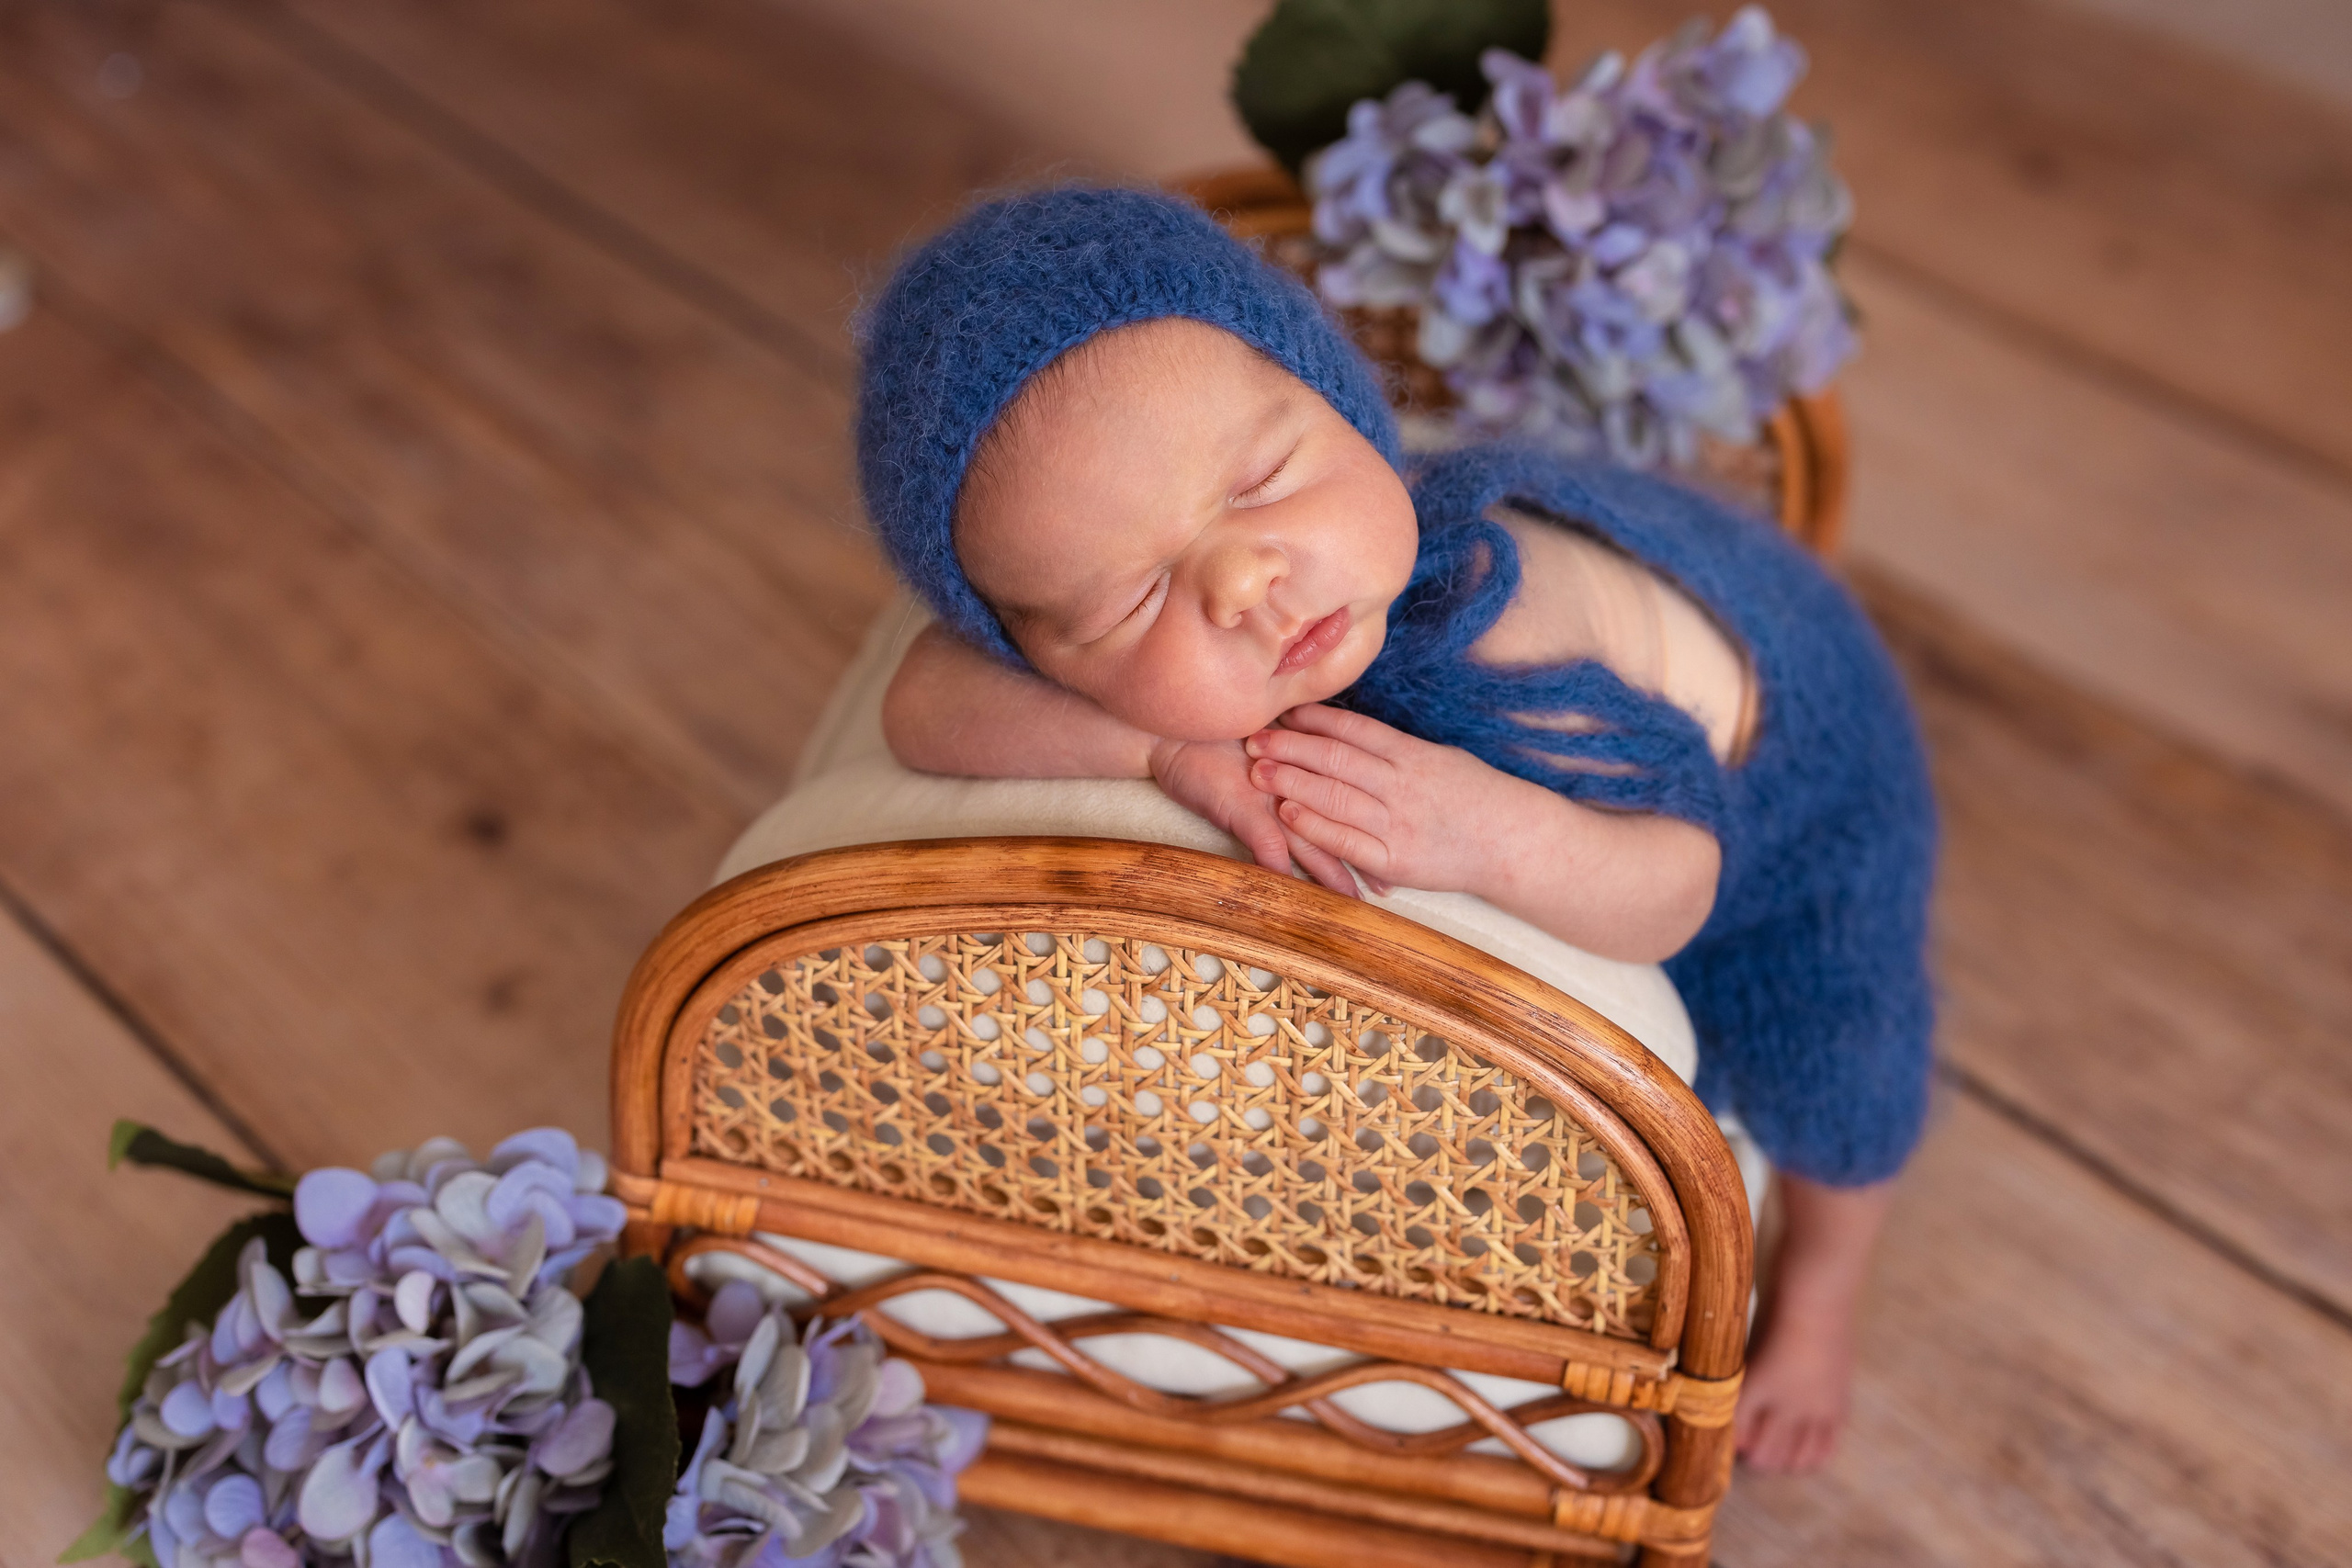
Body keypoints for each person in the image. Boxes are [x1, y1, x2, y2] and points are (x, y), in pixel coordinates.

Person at [854, 186, 1935, 1473]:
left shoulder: (1493, 641)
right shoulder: (1224, 628)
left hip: (1801, 772)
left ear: (1340, 398)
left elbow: (1680, 882)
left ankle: (1819, 1300)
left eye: (1264, 478)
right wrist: (1161, 748)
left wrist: (1493, 840)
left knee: (1836, 1054)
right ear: (1038, 650)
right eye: (1136, 601)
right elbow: (923, 701)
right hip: (1661, 637)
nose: (1245, 582)